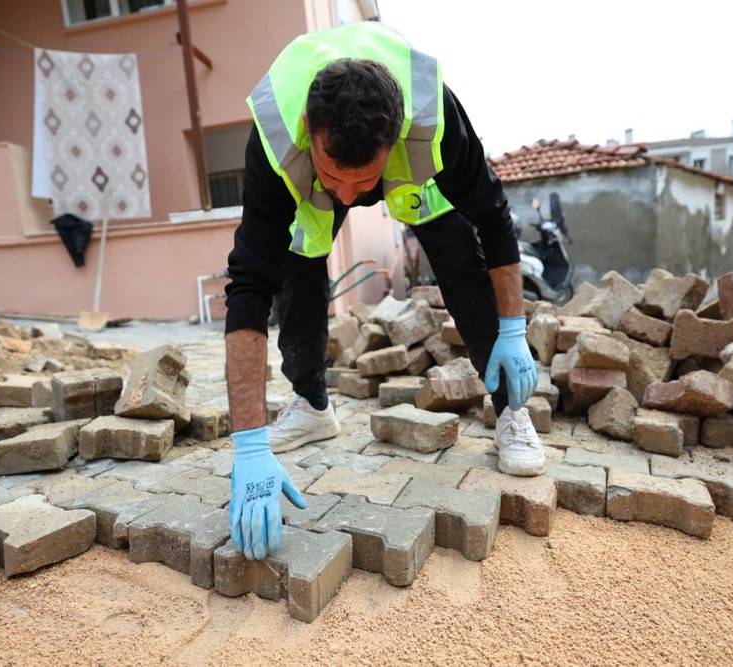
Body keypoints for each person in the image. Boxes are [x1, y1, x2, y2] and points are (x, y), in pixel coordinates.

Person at [223, 21, 542, 561]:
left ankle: (512, 410)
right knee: (294, 264)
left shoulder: (436, 120)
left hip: (412, 174)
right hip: (309, 173)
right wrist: (247, 446)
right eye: (335, 175)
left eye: (362, 181)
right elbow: (247, 286)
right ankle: (311, 403)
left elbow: (493, 215)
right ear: (307, 128)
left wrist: (513, 328)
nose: (349, 195)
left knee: (462, 250)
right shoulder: (276, 133)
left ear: (393, 142)